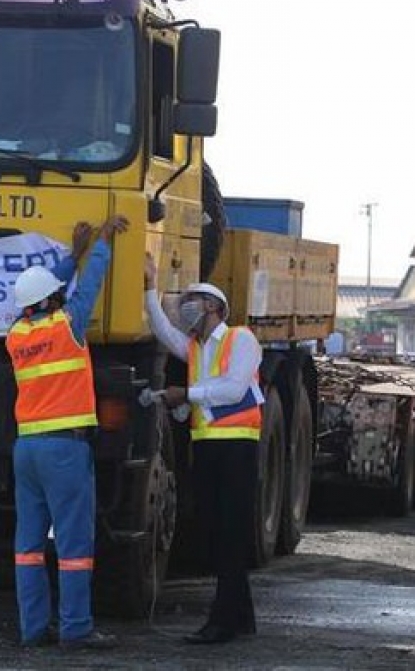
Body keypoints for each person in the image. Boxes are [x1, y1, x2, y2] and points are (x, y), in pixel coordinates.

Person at [6, 214, 128, 650]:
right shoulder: (67, 326)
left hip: (27, 449)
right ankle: (76, 628)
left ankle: (33, 628)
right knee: (74, 544)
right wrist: (102, 246)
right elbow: (90, 285)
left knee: (28, 546)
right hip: (64, 449)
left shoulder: (16, 334)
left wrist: (69, 256)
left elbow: (46, 290)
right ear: (53, 299)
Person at [143, 253, 265, 645]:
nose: (186, 307)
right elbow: (162, 330)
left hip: (237, 449)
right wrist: (149, 287)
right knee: (217, 532)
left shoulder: (240, 338)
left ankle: (222, 622)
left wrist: (187, 394)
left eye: (194, 300)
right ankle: (241, 616)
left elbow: (232, 389)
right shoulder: (195, 348)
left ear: (214, 306)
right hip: (209, 450)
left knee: (229, 535)